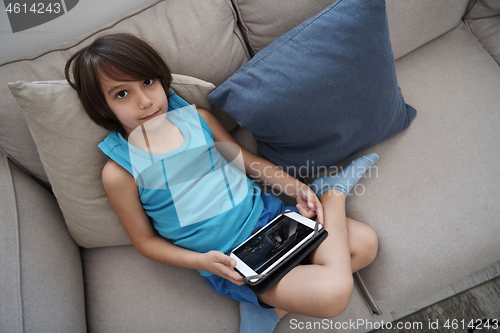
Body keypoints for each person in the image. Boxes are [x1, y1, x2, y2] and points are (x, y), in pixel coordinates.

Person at [65, 33, 379, 333]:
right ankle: (334, 194)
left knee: (365, 245)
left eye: (148, 82)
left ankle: (272, 303)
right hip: (235, 260)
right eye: (122, 94)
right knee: (333, 295)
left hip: (272, 221)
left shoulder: (197, 119)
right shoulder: (119, 171)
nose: (145, 101)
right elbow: (145, 243)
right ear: (103, 108)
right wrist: (202, 262)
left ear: (161, 78)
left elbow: (246, 161)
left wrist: (296, 188)